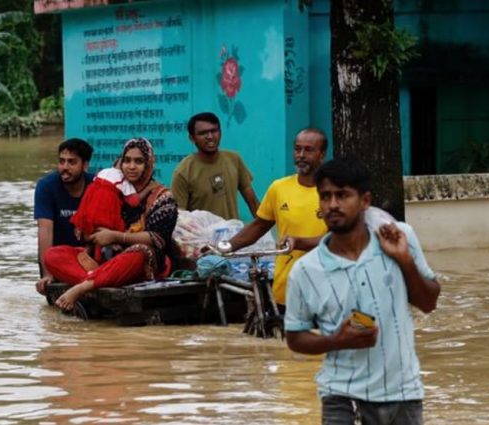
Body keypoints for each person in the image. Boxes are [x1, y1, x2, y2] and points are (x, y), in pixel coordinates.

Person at [284, 157, 441, 425]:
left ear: (365, 200)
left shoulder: (399, 238)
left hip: (403, 394)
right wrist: (337, 340)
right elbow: (295, 338)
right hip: (341, 397)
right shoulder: (305, 271)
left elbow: (428, 303)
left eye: (342, 195)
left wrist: (404, 260)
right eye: (325, 196)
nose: (332, 205)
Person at [43, 137, 179, 311]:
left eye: (138, 162)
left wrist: (116, 236)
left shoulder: (162, 197)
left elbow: (157, 239)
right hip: (103, 261)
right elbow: (84, 230)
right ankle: (100, 278)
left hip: (142, 264)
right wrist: (90, 233)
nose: (131, 166)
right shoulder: (110, 188)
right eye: (127, 160)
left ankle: (84, 286)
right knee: (53, 255)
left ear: (148, 164)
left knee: (140, 253)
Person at [225, 128, 329, 310]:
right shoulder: (279, 188)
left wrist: (298, 242)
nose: (301, 155)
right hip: (285, 289)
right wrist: (225, 247)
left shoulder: (334, 192)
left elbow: (339, 240)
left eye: (309, 150)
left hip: (325, 290)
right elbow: (259, 226)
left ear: (322, 154)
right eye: (297, 149)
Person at [171, 112, 260, 220]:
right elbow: (180, 217)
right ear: (192, 138)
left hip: (235, 235)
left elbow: (252, 200)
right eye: (203, 133)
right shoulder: (183, 172)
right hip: (202, 236)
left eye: (214, 131)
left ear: (220, 132)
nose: (210, 137)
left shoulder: (234, 159)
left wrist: (265, 231)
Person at [34, 138, 94, 295]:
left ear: (85, 165)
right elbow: (45, 231)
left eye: (72, 162)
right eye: (61, 161)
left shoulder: (96, 185)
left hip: (87, 256)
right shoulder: (46, 186)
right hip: (57, 259)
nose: (64, 168)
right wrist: (47, 274)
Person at [70, 166, 156, 263]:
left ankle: (88, 252)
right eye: (127, 161)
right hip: (107, 212)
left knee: (92, 234)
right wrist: (148, 189)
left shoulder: (103, 171)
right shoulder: (122, 178)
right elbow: (134, 201)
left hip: (89, 206)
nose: (131, 167)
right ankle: (99, 261)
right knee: (105, 236)